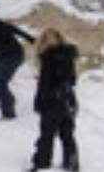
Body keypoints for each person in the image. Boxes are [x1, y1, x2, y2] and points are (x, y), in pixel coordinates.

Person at [30, 29, 80, 171]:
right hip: (69, 100)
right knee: (67, 134)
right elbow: (72, 80)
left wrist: (38, 102)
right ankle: (72, 164)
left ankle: (42, 162)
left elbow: (44, 84)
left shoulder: (48, 57)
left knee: (46, 134)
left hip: (52, 102)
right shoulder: (68, 55)